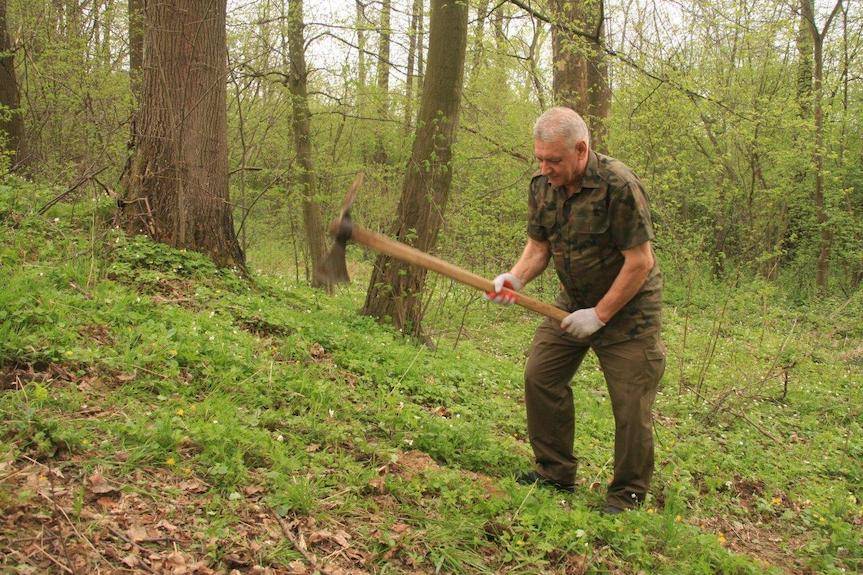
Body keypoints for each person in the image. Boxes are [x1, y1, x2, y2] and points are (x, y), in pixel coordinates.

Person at [487, 106, 666, 514]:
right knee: (541, 375)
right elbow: (538, 247)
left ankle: (627, 495)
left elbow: (640, 262)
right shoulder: (542, 186)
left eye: (553, 160)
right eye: (539, 159)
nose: (544, 168)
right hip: (572, 301)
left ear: (581, 149)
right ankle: (555, 472)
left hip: (629, 311)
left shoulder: (618, 185)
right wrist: (515, 278)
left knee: (630, 403)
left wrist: (599, 316)